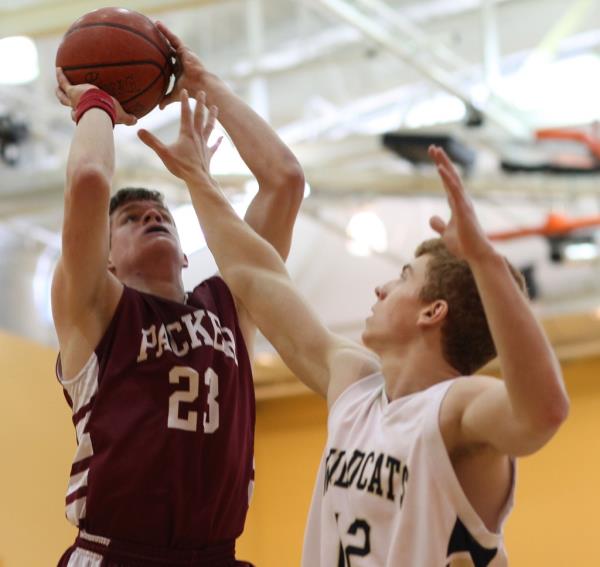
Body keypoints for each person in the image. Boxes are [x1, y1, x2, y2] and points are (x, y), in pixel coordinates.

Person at [139, 90, 570, 566]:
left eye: (404, 276)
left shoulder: (456, 409)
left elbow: (544, 412)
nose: (383, 287)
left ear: (433, 312)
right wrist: (199, 177)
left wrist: (486, 262)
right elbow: (257, 277)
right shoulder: (355, 386)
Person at [52, 22, 304, 567]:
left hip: (217, 556)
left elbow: (284, 179)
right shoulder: (95, 310)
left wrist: (204, 81)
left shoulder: (230, 304)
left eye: (161, 215)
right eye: (132, 218)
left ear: (186, 253)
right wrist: (96, 103)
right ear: (106, 257)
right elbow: (90, 180)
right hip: (117, 554)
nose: (152, 217)